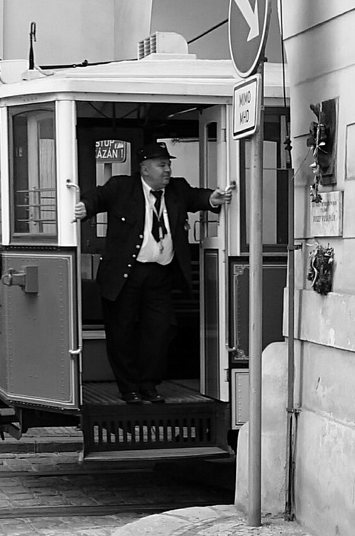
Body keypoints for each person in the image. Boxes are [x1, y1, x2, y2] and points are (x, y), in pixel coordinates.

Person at [75, 141, 235, 404]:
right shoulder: (122, 187)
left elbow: (197, 196)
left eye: (169, 164)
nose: (168, 170)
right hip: (124, 276)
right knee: (121, 332)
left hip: (160, 275)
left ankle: (148, 384)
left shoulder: (176, 189)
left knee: (161, 330)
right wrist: (84, 207)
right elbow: (98, 197)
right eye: (162, 165)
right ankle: (129, 389)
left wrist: (212, 199)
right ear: (144, 169)